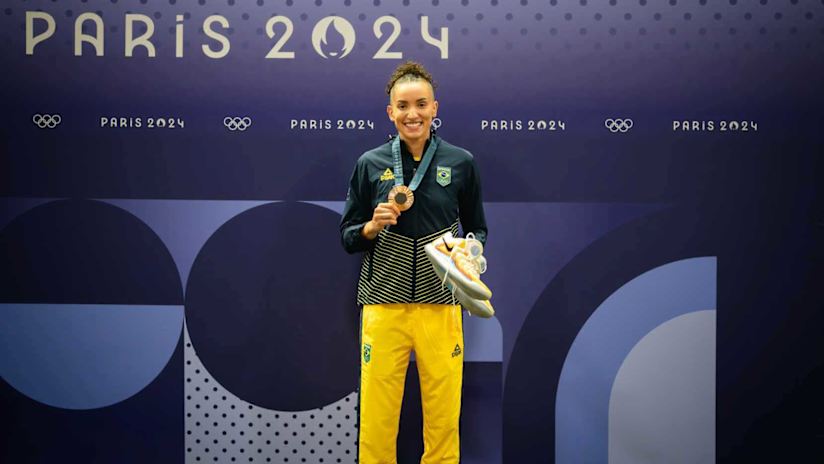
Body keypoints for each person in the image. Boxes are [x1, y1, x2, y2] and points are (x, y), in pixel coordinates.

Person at [339, 61, 488, 464]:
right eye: (403, 106)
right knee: (377, 417)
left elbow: (477, 228)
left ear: (434, 107)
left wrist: (469, 255)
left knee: (443, 418)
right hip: (383, 304)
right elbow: (347, 235)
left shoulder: (461, 162)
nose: (412, 114)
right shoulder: (370, 163)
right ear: (390, 112)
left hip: (441, 303)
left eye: (421, 104)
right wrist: (371, 225)